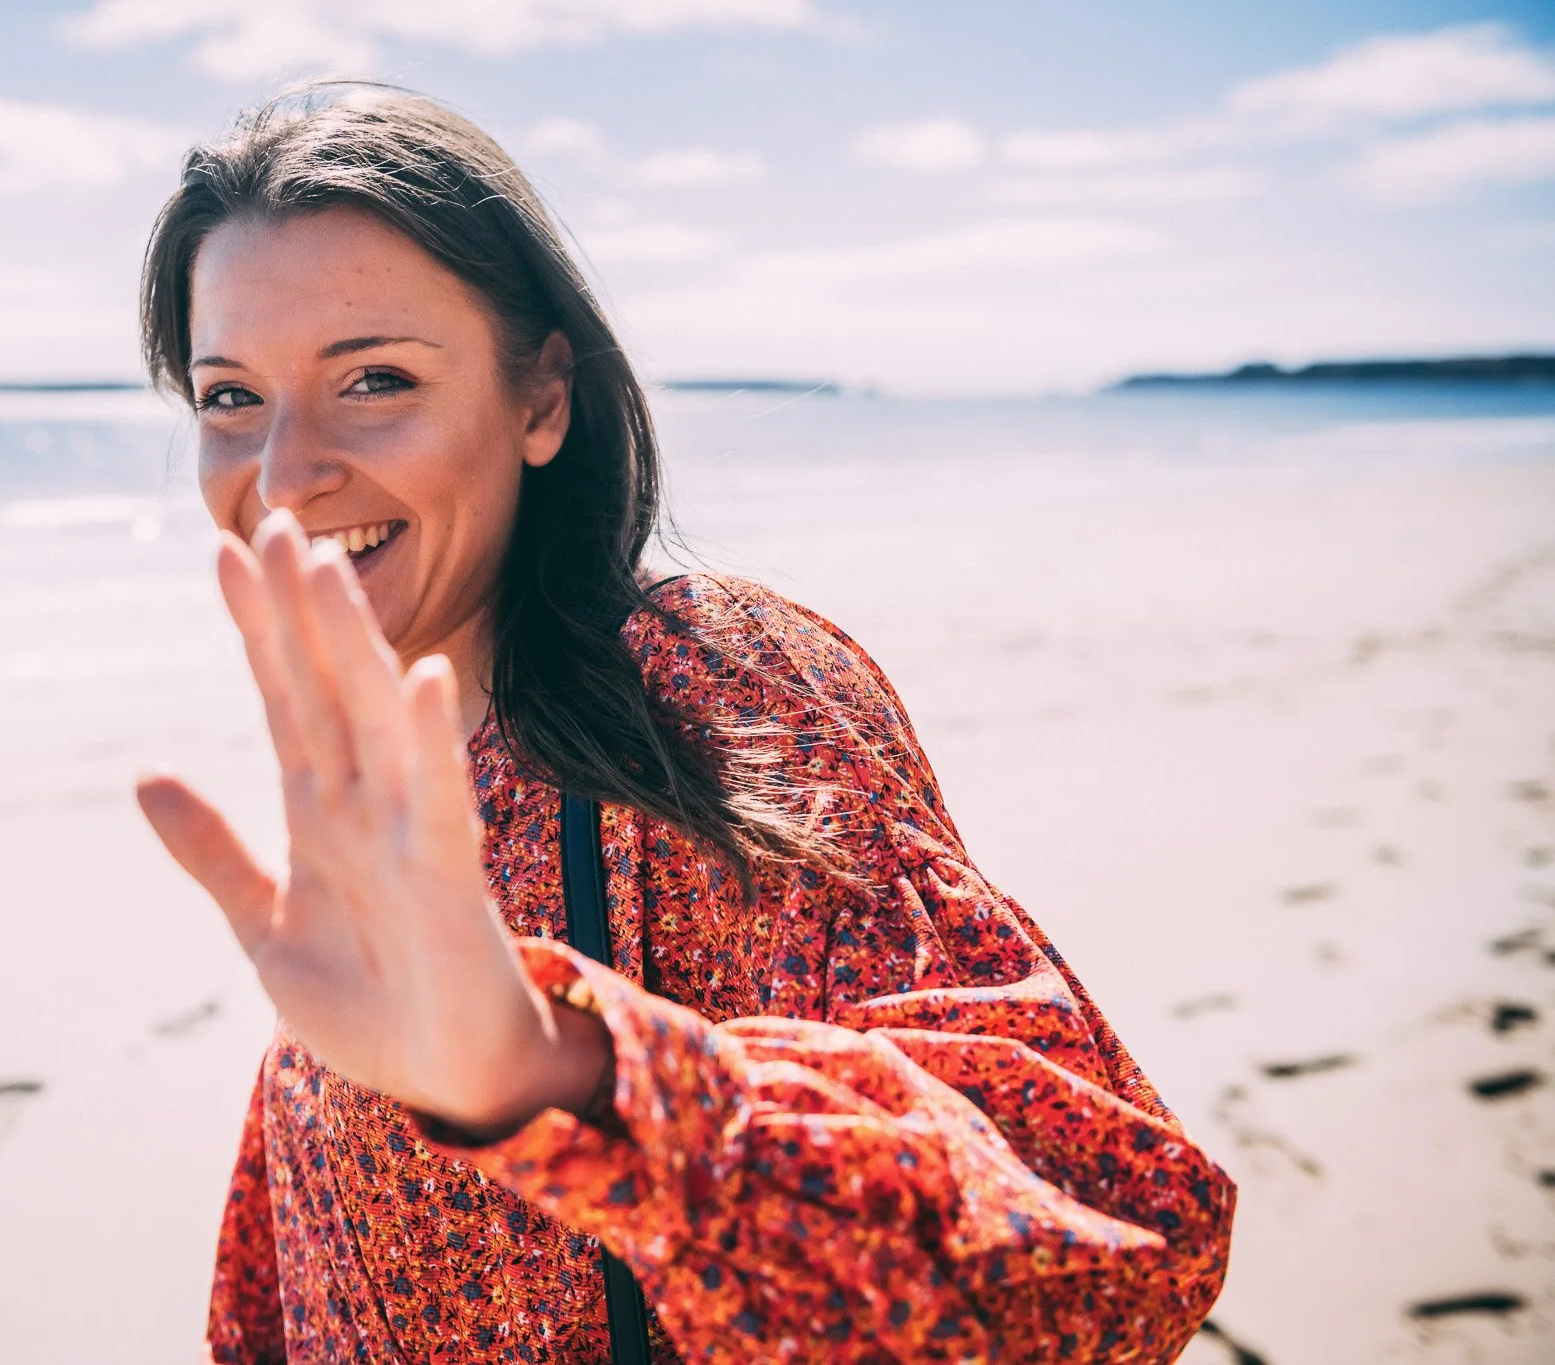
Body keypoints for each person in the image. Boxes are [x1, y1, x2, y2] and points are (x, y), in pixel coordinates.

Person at [133, 83, 1234, 1364]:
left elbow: (1105, 1237)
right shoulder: (374, 778)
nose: (280, 475)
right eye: (227, 398)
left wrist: (560, 1078)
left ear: (542, 400)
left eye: (374, 379)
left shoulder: (713, 695)